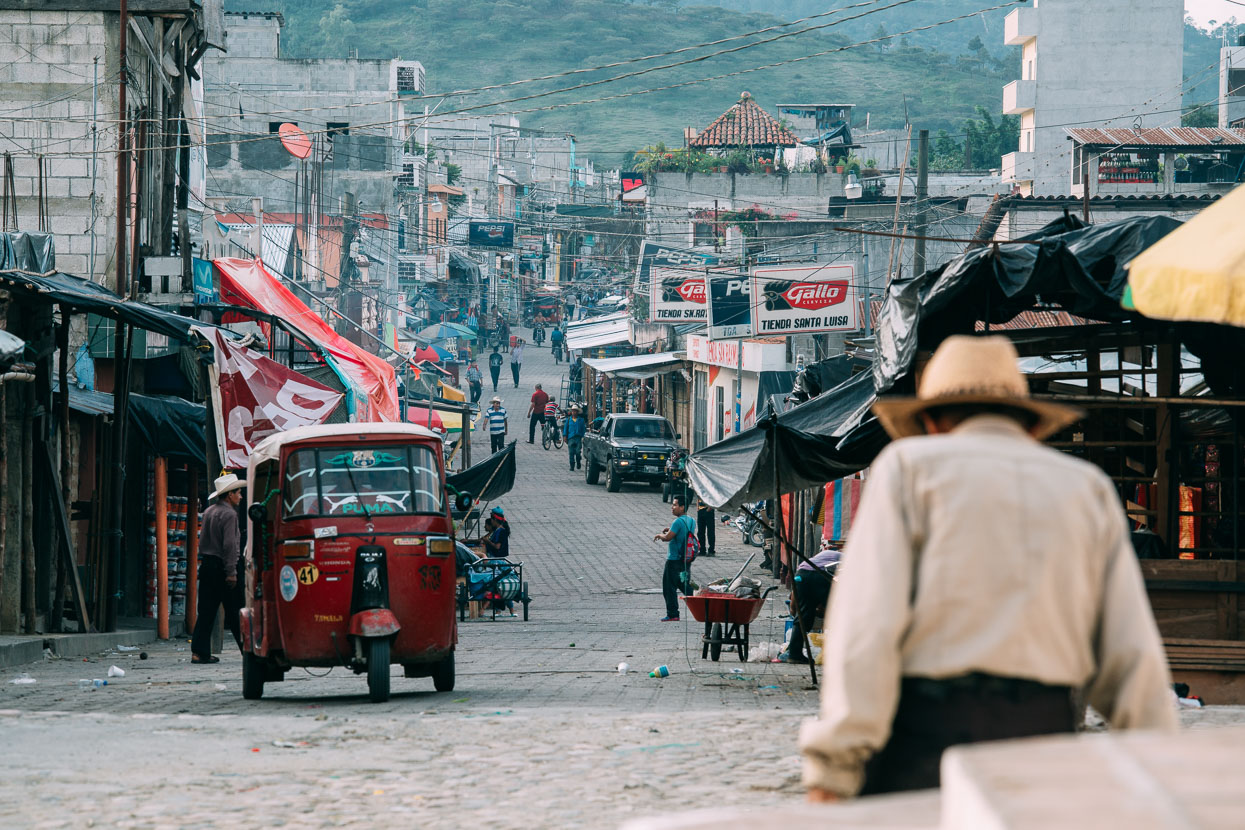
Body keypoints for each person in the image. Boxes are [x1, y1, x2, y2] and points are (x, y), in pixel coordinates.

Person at [800, 335, 1177, 802]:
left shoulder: (908, 469)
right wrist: (1158, 759)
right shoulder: (1085, 487)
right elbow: (1128, 646)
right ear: (1025, 423)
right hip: (1046, 737)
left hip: (928, 735)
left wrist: (834, 762)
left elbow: (867, 624)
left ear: (932, 421)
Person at [190, 474, 245, 664]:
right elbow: (229, 545)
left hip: (207, 565)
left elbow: (204, 541)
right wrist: (231, 572)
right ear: (230, 495)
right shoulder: (230, 514)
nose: (241, 496)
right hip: (223, 566)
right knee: (236, 611)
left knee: (206, 610)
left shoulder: (209, 511)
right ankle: (247, 651)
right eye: (238, 493)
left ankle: (198, 651)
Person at [786, 542, 841, 664]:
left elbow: (794, 606)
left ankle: (794, 654)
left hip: (801, 576)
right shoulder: (846, 559)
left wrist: (795, 608)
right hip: (819, 576)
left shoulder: (824, 556)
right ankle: (834, 653)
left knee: (802, 617)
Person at [653, 495, 696, 622]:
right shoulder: (691, 520)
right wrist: (670, 529)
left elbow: (668, 538)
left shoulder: (677, 522)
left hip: (674, 560)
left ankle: (672, 614)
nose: (672, 507)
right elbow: (682, 532)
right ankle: (701, 602)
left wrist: (660, 535)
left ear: (682, 507)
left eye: (675, 505)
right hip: (685, 559)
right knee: (684, 585)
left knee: (669, 587)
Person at [564, 403, 586, 471]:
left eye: (575, 411)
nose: (574, 412)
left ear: (577, 412)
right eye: (573, 411)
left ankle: (578, 462)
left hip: (578, 438)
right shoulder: (568, 420)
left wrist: (583, 437)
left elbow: (583, 429)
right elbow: (565, 428)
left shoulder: (581, 420)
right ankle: (572, 465)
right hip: (571, 438)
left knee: (577, 452)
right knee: (571, 452)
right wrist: (565, 436)